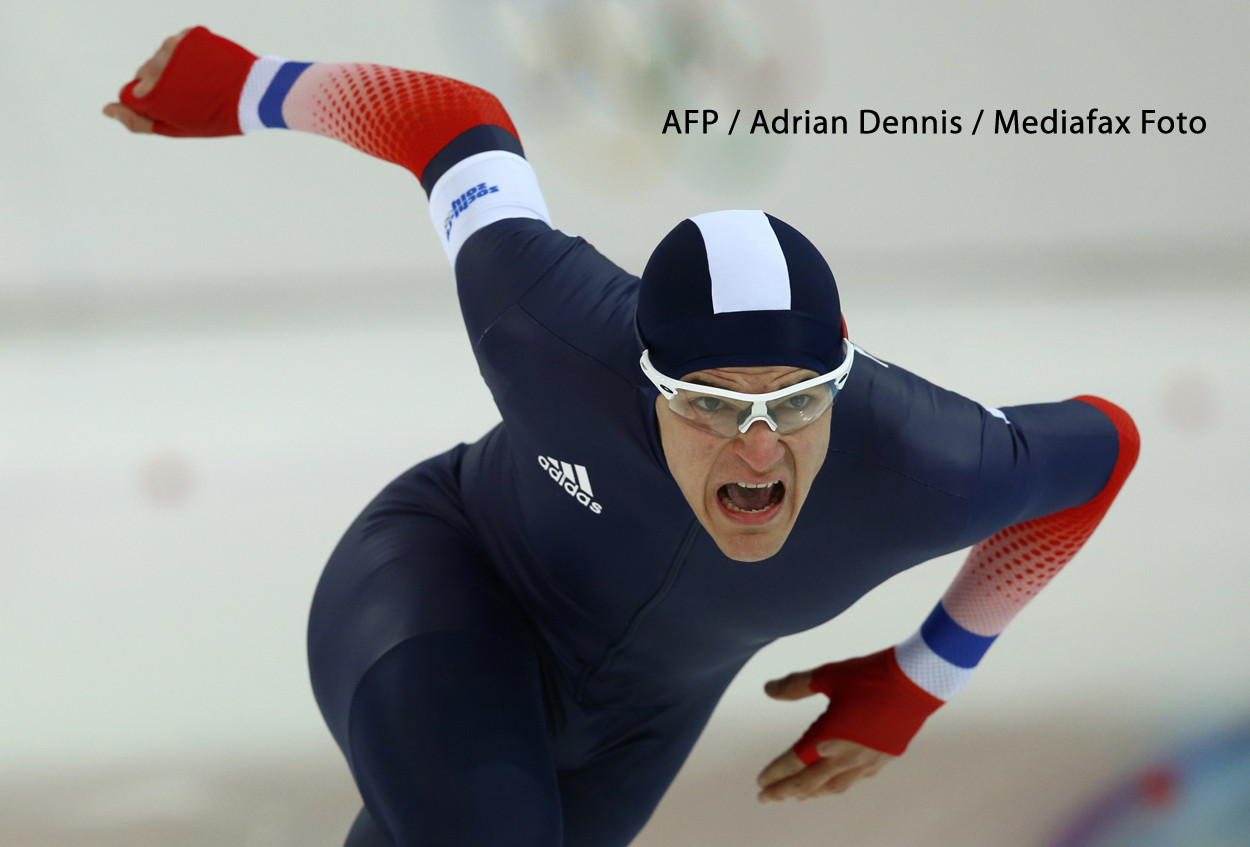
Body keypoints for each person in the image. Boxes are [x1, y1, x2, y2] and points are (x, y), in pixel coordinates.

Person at [104, 27, 1140, 847]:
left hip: (636, 727)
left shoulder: (926, 460)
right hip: (446, 591)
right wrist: (246, 87)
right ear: (640, 382)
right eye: (708, 403)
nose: (755, 447)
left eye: (793, 402)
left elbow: (1101, 450)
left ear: (840, 379)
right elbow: (452, 123)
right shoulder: (547, 321)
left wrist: (925, 674)